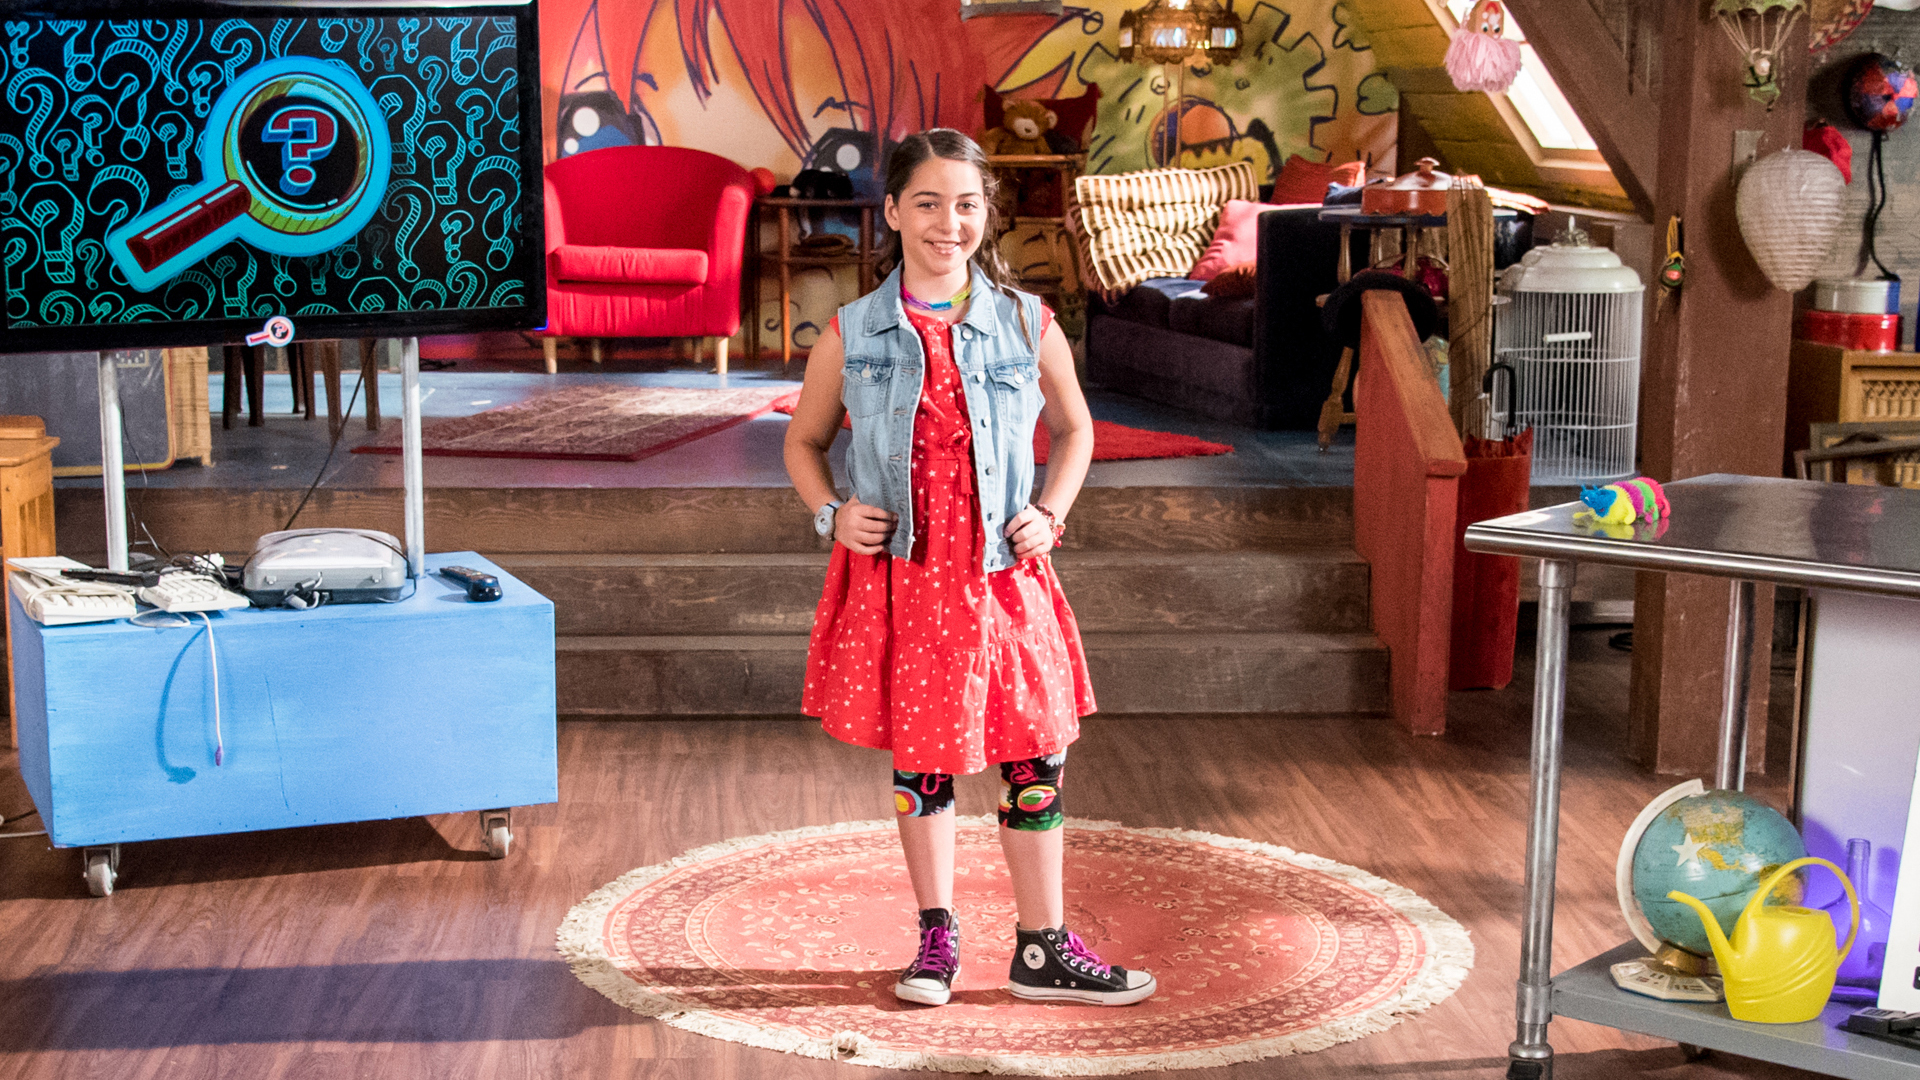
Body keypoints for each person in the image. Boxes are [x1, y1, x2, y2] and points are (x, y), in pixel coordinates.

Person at [783, 129, 1155, 1008]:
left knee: (1035, 751)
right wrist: (832, 514)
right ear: (892, 211)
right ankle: (936, 941)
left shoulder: (1028, 323)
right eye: (927, 203)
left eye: (965, 204)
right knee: (925, 758)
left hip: (1002, 576)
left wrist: (1051, 512)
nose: (947, 223)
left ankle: (1042, 948)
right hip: (907, 577)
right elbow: (802, 442)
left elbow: (1076, 430)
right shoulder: (852, 332)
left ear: (986, 214)